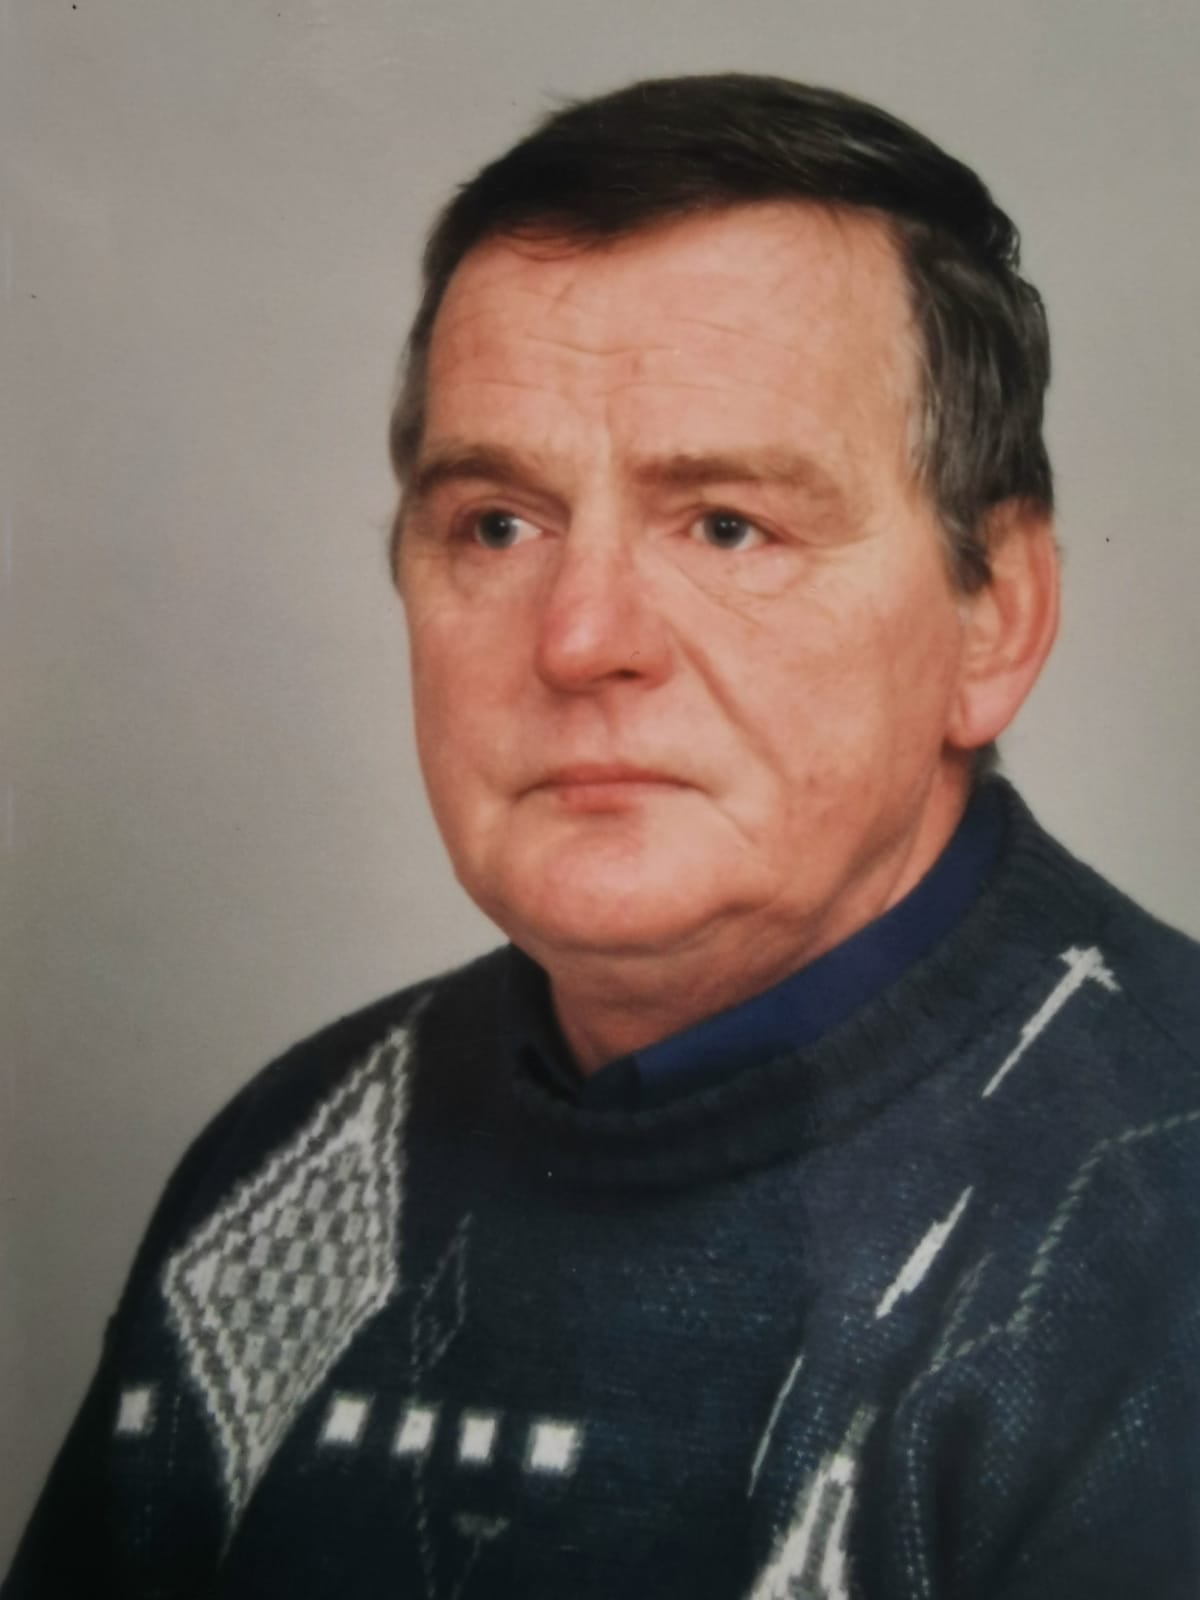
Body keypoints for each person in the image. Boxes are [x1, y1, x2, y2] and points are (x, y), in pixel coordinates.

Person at [5, 72, 1199, 1600]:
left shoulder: (1161, 1228)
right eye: (497, 524)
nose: (580, 638)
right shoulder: (290, 1162)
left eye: (727, 525)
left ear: (995, 615)